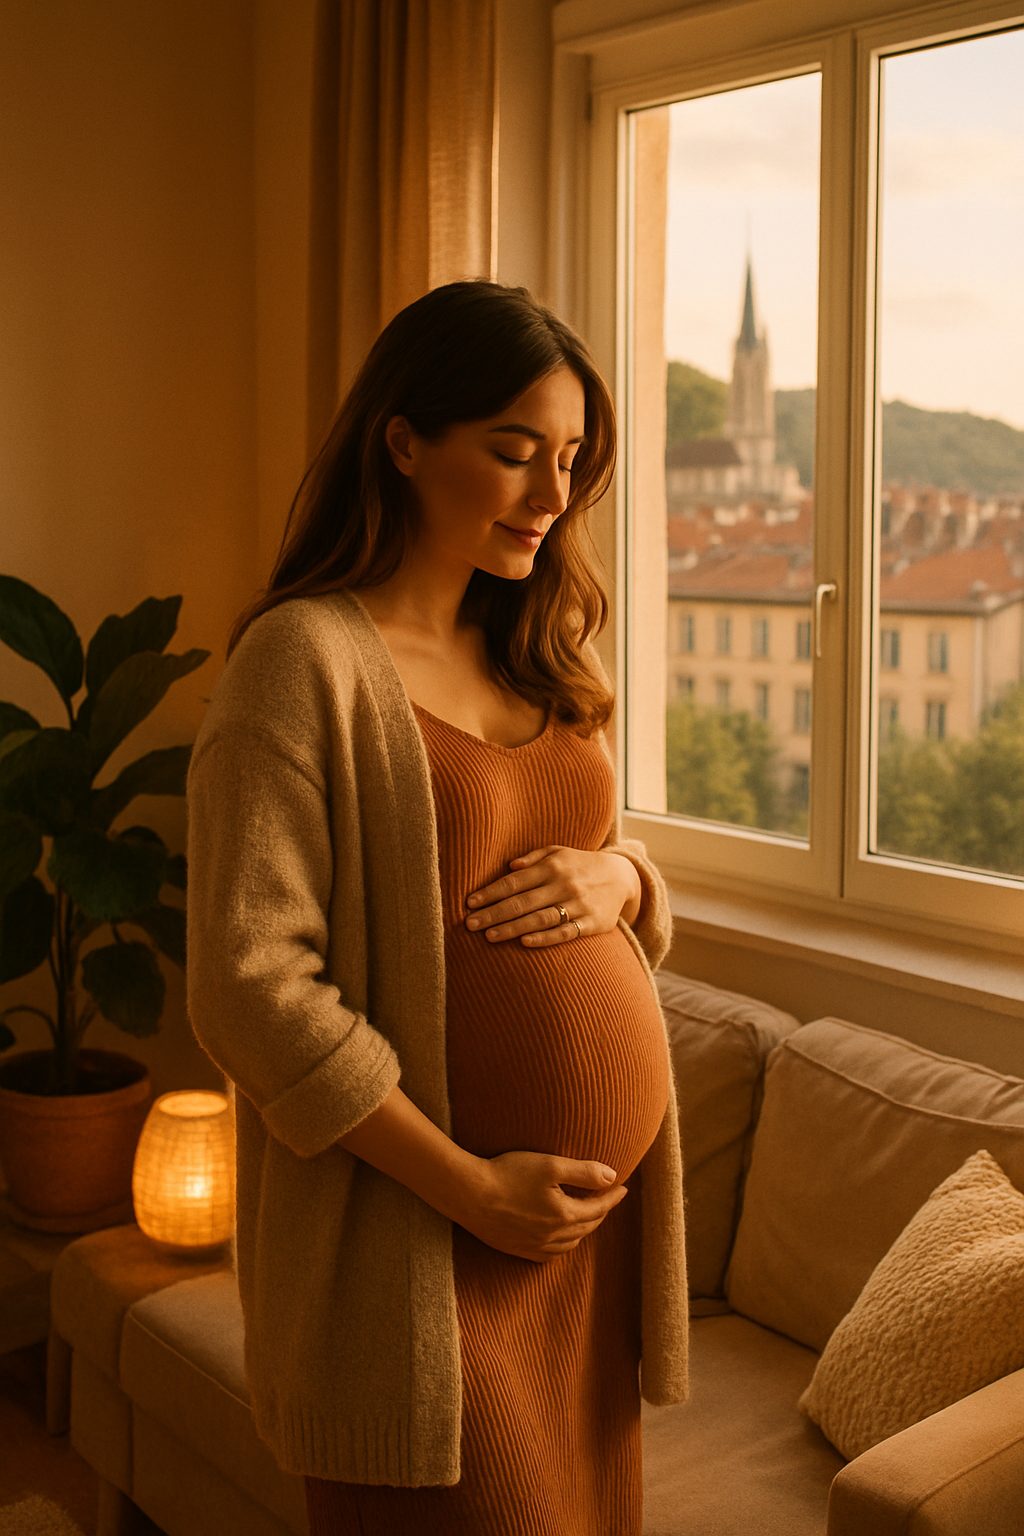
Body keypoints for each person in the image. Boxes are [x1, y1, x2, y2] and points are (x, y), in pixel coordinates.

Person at [185, 279, 688, 1536]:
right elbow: (251, 985)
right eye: (513, 452)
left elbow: (599, 864)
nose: (550, 495)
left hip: (584, 1253)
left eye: (569, 460)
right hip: (428, 1248)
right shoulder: (303, 663)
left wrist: (627, 880)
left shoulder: (532, 646)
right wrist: (469, 1188)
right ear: (404, 442)